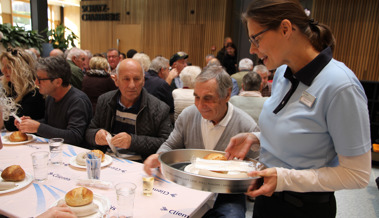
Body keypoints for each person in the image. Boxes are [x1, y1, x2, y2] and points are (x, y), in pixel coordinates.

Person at [225, 1, 371, 217]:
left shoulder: (340, 86)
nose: (252, 49)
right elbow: (300, 132)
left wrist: (285, 179)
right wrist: (256, 138)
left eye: (256, 39)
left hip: (304, 207)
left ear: (285, 29)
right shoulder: (284, 72)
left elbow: (357, 174)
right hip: (267, 198)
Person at [144, 65, 259, 218]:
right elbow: (171, 145)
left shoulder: (247, 126)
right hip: (189, 187)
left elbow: (257, 166)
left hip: (227, 195)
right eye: (197, 97)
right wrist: (159, 156)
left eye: (208, 98)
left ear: (227, 94)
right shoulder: (188, 115)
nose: (199, 105)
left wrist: (252, 182)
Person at [85, 59, 173, 161]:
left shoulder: (159, 108)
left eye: (136, 79)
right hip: (106, 162)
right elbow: (89, 132)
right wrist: (96, 135)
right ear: (116, 81)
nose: (132, 85)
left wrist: (132, 141)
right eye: (126, 79)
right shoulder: (105, 101)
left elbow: (167, 143)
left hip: (139, 166)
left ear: (143, 81)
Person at [16, 56, 93, 147]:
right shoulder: (51, 97)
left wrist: (38, 127)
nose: (36, 83)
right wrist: (31, 123)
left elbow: (74, 137)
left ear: (58, 82)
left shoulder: (78, 101)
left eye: (40, 79)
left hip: (76, 155)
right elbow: (50, 123)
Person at [0, 48, 45, 131]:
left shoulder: (34, 93)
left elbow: (13, 125)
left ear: (21, 70)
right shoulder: (9, 87)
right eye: (3, 66)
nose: (3, 70)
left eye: (8, 67)